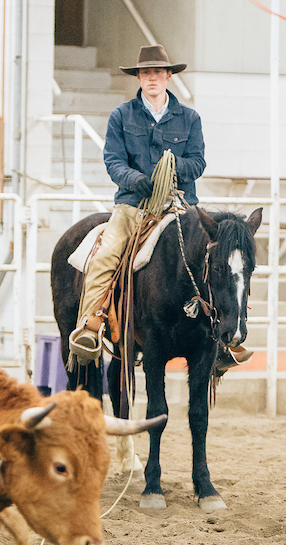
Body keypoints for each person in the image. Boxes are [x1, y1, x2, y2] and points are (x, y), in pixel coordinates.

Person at [71, 44, 252, 372]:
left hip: (181, 207)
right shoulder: (121, 116)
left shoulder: (190, 118)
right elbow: (113, 161)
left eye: (157, 72)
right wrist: (137, 180)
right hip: (133, 206)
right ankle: (89, 325)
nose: (151, 78)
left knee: (216, 261)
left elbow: (198, 162)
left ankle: (224, 334)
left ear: (168, 76)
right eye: (145, 73)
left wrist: (173, 168)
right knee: (106, 253)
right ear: (139, 78)